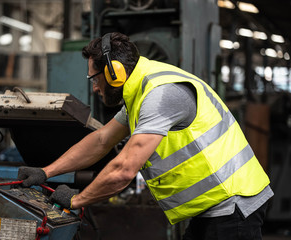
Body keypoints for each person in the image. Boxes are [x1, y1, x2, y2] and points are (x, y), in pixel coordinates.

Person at [18, 32, 273, 239]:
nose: (94, 87)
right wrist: (46, 172)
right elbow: (102, 140)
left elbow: (124, 170)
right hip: (216, 207)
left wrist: (77, 199)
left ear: (113, 72)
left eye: (94, 78)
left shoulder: (160, 94)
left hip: (234, 205)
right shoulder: (139, 93)